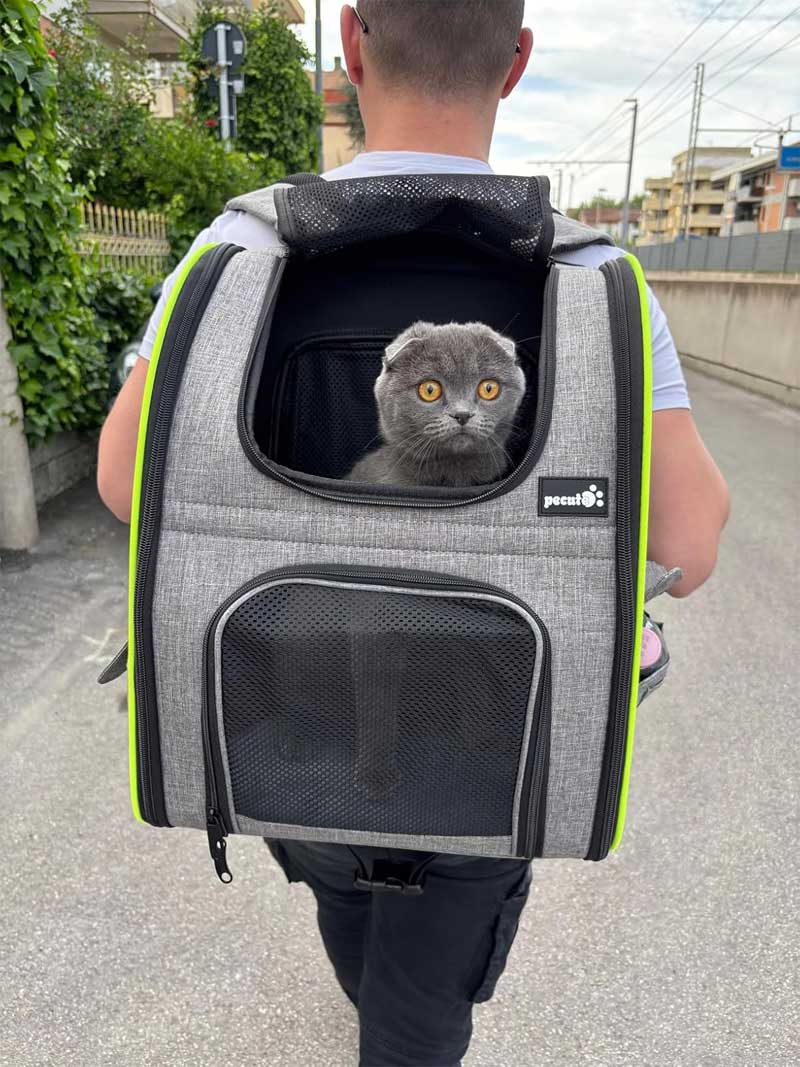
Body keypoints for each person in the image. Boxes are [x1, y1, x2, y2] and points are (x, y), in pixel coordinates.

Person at [97, 4, 730, 1064]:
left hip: (294, 729)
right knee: (425, 1001)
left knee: (342, 893)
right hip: (497, 744)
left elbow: (125, 482)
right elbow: (689, 545)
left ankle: (368, 969)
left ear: (350, 47)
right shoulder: (588, 284)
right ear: (516, 61)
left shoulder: (235, 253)